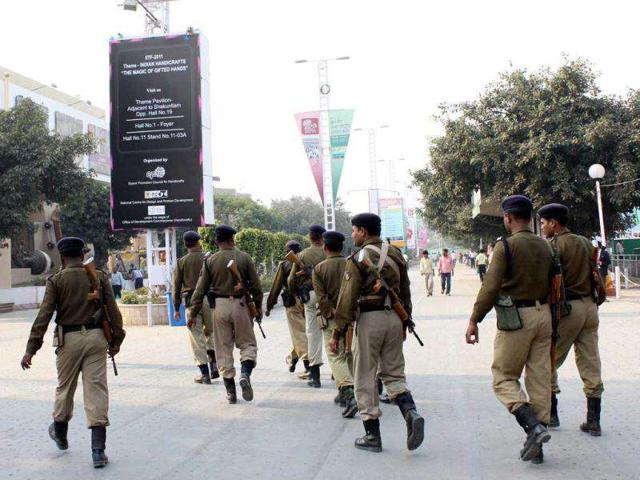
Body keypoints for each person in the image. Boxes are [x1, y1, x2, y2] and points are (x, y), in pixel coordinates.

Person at [20, 237, 126, 468]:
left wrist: (31, 349)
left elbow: (44, 317)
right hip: (97, 338)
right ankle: (98, 451)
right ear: (82, 253)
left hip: (68, 340)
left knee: (65, 387)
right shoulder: (98, 276)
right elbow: (113, 310)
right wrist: (116, 339)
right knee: (96, 389)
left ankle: (60, 432)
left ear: (61, 256)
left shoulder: (56, 280)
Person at [465, 195, 554, 464]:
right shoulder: (547, 246)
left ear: (508, 218)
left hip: (516, 319)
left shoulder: (506, 247)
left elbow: (490, 287)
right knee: (540, 380)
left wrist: (474, 319)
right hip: (545, 315)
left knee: (503, 378)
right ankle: (537, 447)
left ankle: (532, 427)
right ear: (530, 217)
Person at [335, 213, 424, 453]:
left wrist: (337, 332)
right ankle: (410, 412)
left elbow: (346, 300)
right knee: (394, 373)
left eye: (354, 230)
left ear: (363, 232)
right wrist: (406, 321)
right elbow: (405, 291)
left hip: (369, 318)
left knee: (364, 376)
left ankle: (372, 436)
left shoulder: (357, 257)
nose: (352, 234)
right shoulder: (395, 253)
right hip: (395, 317)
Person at [538, 203, 604, 435]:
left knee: (548, 360)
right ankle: (593, 420)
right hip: (590, 307)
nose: (543, 227)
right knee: (590, 361)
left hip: (568, 310)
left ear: (554, 224)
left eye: (544, 223)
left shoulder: (553, 246)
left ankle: (552, 414)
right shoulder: (585, 242)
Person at [189, 225, 262, 404]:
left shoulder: (211, 260)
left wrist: (192, 313)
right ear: (233, 239)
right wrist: (258, 308)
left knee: (223, 349)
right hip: (241, 305)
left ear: (216, 241)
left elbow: (199, 291)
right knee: (248, 344)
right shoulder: (244, 257)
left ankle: (230, 392)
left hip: (219, 307)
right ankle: (245, 373)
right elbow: (257, 287)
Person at [313, 231, 358, 418]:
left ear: (325, 247)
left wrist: (332, 312)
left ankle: (348, 393)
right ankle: (346, 392)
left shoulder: (319, 268)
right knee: (349, 354)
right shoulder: (352, 264)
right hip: (353, 317)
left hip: (332, 318)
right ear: (342, 247)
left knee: (335, 355)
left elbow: (321, 298)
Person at [173, 231, 218, 385]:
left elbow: (176, 286)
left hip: (192, 302)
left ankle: (204, 374)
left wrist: (176, 308)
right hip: (209, 300)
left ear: (185, 245)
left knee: (196, 336)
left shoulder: (181, 262)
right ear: (199, 242)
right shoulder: (209, 258)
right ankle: (214, 364)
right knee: (211, 332)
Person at [288, 224, 327, 388]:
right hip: (330, 297)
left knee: (312, 334)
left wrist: (295, 293)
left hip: (310, 296)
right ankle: (340, 373)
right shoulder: (329, 252)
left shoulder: (302, 255)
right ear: (322, 237)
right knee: (333, 334)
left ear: (310, 237)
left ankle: (315, 376)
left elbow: (291, 280)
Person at [266, 239, 309, 377]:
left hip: (293, 302)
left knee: (299, 333)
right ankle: (293, 358)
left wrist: (269, 305)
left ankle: (308, 365)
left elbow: (276, 286)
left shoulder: (285, 264)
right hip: (308, 300)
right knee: (303, 332)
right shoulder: (305, 263)